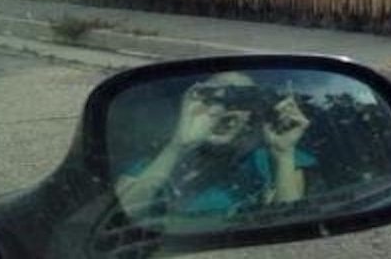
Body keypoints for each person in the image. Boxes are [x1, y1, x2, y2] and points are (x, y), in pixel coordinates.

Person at [114, 71, 316, 220]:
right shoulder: (156, 161)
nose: (227, 111)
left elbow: (288, 222)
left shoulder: (268, 161)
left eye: (242, 100)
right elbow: (119, 217)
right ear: (191, 104)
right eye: (214, 97)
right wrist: (178, 146)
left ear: (252, 115)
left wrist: (284, 155)